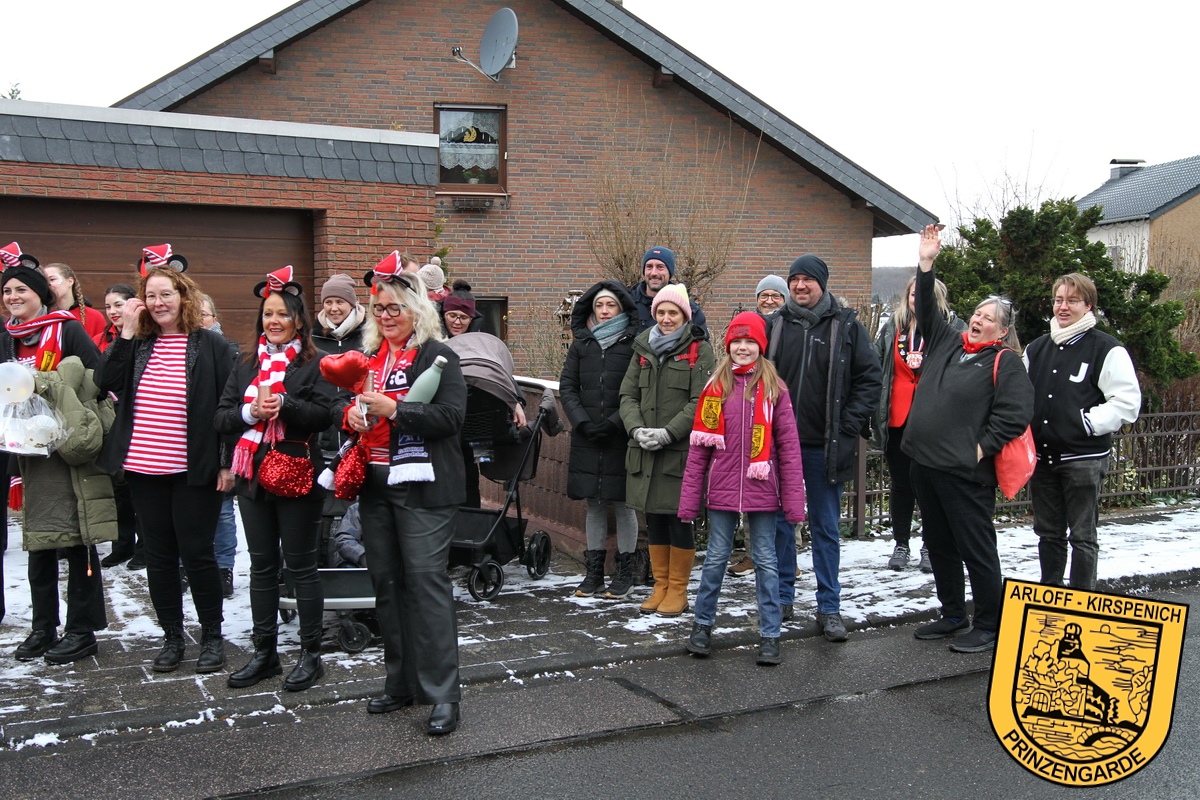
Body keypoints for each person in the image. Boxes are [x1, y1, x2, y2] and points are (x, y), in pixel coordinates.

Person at [95, 245, 235, 674]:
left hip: (194, 470)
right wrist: (125, 332)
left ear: (183, 297)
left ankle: (211, 636)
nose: (158, 303)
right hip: (144, 468)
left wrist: (226, 463)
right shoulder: (138, 345)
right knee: (159, 557)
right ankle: (172, 636)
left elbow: (227, 408)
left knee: (198, 554)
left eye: (166, 295)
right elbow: (103, 381)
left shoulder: (211, 345)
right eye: (151, 296)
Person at [345, 255, 467, 735]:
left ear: (417, 309)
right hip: (376, 486)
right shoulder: (369, 358)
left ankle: (443, 695)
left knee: (426, 584)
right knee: (387, 586)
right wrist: (350, 416)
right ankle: (401, 683)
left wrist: (395, 410)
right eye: (379, 309)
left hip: (424, 489)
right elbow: (347, 408)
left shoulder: (438, 355)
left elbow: (450, 418)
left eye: (395, 308)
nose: (386, 316)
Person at [904, 225, 1034, 654]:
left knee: (975, 548)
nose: (979, 320)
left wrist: (978, 449)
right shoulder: (947, 340)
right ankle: (953, 614)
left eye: (989, 319)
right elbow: (925, 307)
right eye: (978, 313)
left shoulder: (1005, 362)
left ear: (1002, 331)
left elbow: (1014, 415)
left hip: (964, 472)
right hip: (924, 464)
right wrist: (926, 263)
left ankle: (990, 623)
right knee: (939, 544)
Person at [216, 266, 337, 691]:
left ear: (299, 320)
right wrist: (250, 412)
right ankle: (264, 653)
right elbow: (222, 417)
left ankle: (311, 655)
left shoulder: (315, 363)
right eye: (268, 314)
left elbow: (324, 415)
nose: (274, 321)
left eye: (283, 314)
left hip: (297, 475)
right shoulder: (245, 363)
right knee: (263, 567)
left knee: (302, 567)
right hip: (252, 476)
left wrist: (286, 404)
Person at [765, 253, 881, 641]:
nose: (800, 286)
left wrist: (848, 424)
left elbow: (870, 379)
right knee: (781, 525)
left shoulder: (846, 326)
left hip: (825, 448)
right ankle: (782, 597)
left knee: (825, 527)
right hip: (781, 446)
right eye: (794, 279)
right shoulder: (775, 325)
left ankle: (829, 607)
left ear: (822, 284)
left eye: (808, 280)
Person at [2, 262, 113, 664]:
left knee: (77, 540)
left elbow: (98, 380)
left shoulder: (67, 330)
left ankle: (82, 630)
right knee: (39, 543)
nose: (13, 297)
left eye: (22, 290)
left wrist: (48, 386)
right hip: (27, 455)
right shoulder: (7, 339)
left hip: (68, 451)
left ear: (41, 294)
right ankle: (43, 627)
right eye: (7, 291)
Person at [680, 312, 805, 665]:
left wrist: (794, 503)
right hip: (721, 490)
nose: (744, 347)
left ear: (760, 346)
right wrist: (689, 500)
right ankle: (702, 627)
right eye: (737, 341)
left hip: (762, 489)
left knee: (765, 559)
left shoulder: (775, 389)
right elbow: (699, 449)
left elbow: (789, 450)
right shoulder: (715, 387)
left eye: (751, 341)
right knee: (715, 558)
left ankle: (770, 634)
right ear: (728, 345)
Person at [1025, 273, 1140, 591]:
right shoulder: (1036, 349)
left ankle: (1081, 602)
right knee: (1048, 534)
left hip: (1084, 459)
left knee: (1082, 536)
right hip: (1043, 459)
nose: (1063, 307)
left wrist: (1085, 423)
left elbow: (1127, 403)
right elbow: (1019, 396)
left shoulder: (1107, 349)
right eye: (1058, 300)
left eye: (1072, 301)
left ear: (1088, 305)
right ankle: (1049, 597)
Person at [620, 283, 715, 617]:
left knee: (679, 520)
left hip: (678, 452)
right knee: (654, 519)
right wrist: (636, 429)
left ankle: (678, 589)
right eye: (660, 312)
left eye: (673, 312)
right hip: (645, 450)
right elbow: (627, 395)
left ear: (684, 315)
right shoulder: (642, 347)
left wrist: (667, 433)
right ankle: (660, 586)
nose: (666, 318)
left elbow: (701, 400)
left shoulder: (700, 350)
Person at [873, 274, 966, 573]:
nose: (918, 299)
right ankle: (901, 544)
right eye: (913, 294)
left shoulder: (954, 328)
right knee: (901, 486)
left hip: (933, 421)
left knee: (932, 487)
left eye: (924, 294)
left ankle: (930, 545)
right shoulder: (893, 327)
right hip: (898, 419)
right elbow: (875, 365)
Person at [558, 281, 639, 599]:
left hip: (621, 436)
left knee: (623, 503)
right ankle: (593, 574)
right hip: (588, 435)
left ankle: (625, 573)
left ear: (621, 309)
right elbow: (568, 386)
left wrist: (616, 423)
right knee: (593, 503)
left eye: (611, 305)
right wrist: (582, 422)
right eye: (599, 305)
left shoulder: (634, 345)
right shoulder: (582, 345)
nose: (604, 311)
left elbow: (638, 390)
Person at [726, 273, 791, 580]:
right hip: (748, 419)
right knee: (753, 492)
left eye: (776, 295)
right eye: (764, 295)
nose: (769, 300)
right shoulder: (748, 327)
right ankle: (754, 555)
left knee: (782, 494)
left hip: (779, 412)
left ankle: (787, 559)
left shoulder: (791, 327)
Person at [97, 283, 146, 569]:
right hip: (111, 418)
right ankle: (122, 544)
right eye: (108, 306)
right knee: (119, 490)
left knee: (138, 489)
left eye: (118, 305)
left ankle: (145, 547)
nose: (113, 311)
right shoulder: (103, 338)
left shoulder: (144, 337)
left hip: (136, 419)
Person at [199, 293, 239, 598]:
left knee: (223, 511)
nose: (199, 321)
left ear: (215, 318)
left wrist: (227, 458)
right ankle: (188, 566)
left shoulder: (229, 352)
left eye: (204, 314)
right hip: (192, 445)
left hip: (221, 439)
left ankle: (224, 567)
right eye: (194, 315)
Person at [627, 246, 707, 335]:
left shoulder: (690, 310)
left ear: (669, 272)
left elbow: (701, 342)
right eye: (649, 267)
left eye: (660, 267)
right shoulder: (627, 304)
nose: (654, 273)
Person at [42, 262, 107, 340]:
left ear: (70, 281)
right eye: (45, 281)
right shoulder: (45, 316)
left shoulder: (94, 316)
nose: (48, 284)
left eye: (52, 279)